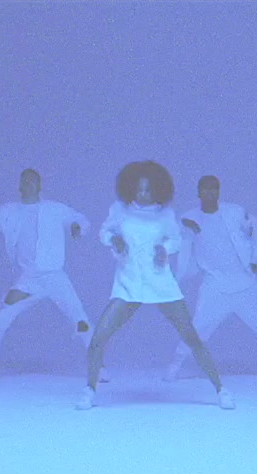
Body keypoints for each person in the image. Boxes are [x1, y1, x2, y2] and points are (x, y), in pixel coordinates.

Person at [77, 161, 233, 410]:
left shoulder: (165, 214)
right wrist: (114, 239)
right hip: (129, 283)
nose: (143, 194)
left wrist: (164, 248)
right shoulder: (120, 210)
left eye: (148, 190)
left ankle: (221, 390)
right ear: (130, 188)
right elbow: (104, 232)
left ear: (158, 190)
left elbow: (176, 240)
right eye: (139, 189)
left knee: (191, 337)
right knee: (98, 338)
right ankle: (89, 390)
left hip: (160, 282)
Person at [0, 168, 108, 382]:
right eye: (24, 181)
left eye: (32, 181)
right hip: (28, 280)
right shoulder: (9, 211)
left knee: (80, 319)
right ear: (19, 185)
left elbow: (80, 219)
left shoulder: (55, 209)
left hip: (55, 278)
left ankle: (98, 367)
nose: (28, 184)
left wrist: (76, 227)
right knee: (2, 318)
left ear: (39, 185)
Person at [162, 175, 257, 380]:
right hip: (215, 286)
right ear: (198, 192)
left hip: (245, 284)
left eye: (214, 188)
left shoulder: (234, 212)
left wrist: (255, 259)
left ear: (219, 192)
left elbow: (254, 228)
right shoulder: (189, 218)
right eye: (205, 189)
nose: (210, 193)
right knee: (198, 327)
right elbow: (174, 236)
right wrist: (185, 227)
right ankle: (175, 365)